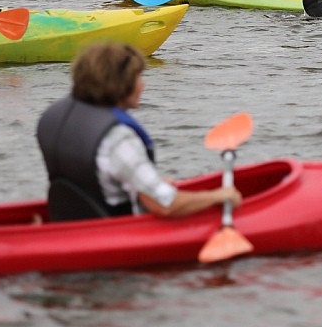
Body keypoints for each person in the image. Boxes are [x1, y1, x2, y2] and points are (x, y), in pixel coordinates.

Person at [36, 41, 242, 221]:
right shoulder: (117, 138)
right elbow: (165, 205)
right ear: (119, 84)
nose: (142, 85)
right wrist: (219, 196)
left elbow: (91, 179)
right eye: (137, 77)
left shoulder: (52, 116)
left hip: (69, 219)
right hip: (114, 233)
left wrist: (144, 183)